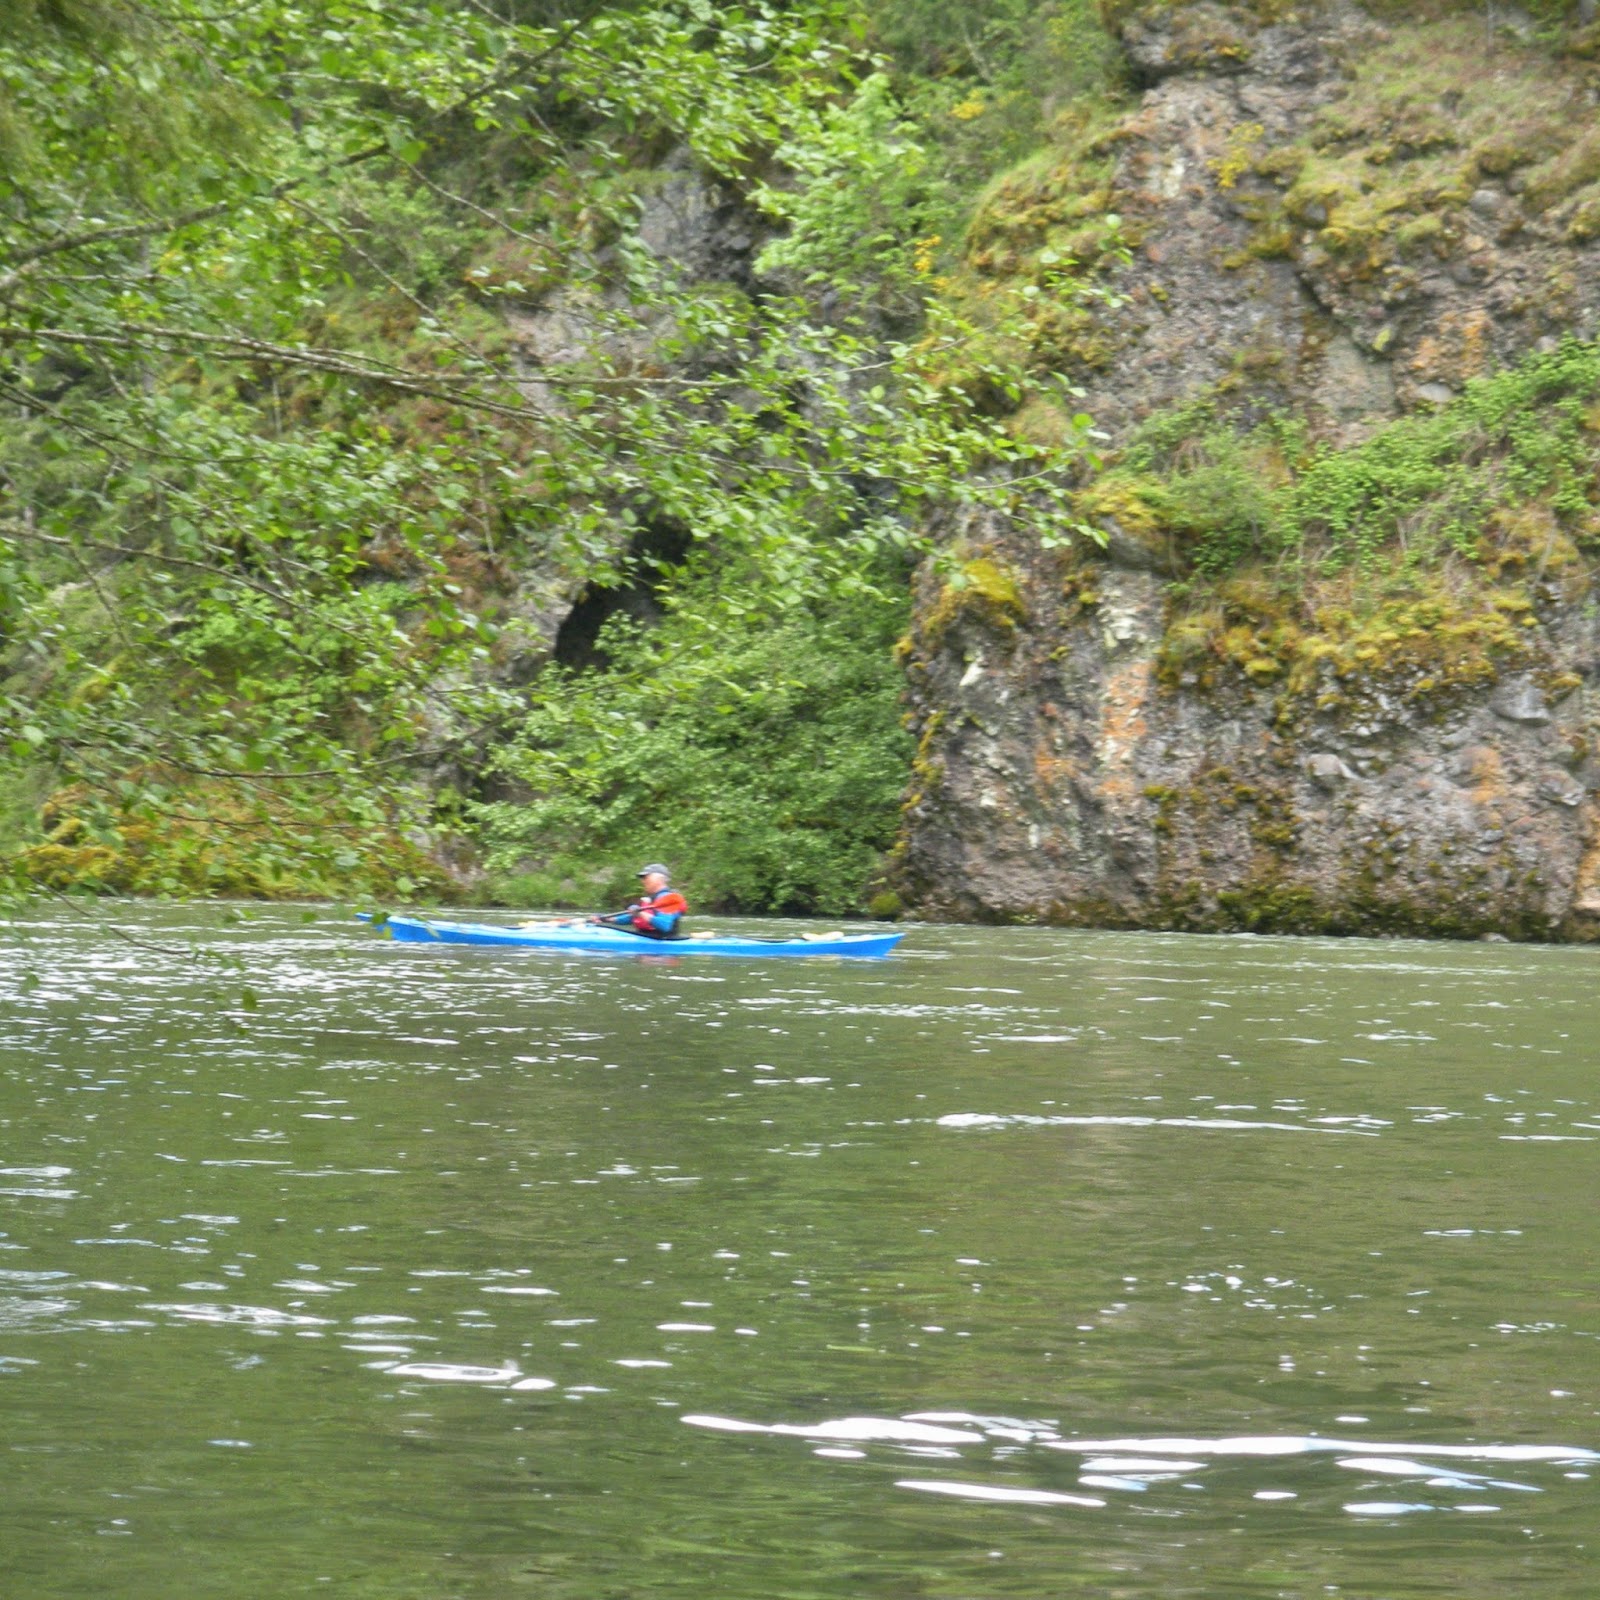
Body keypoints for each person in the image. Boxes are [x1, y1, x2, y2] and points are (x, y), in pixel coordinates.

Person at [589, 863, 688, 940]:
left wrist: (641, 913)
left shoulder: (668, 898)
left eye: (646, 877)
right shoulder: (652, 898)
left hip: (664, 946)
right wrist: (607, 919)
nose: (643, 881)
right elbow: (632, 919)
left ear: (659, 879)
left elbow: (664, 925)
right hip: (648, 939)